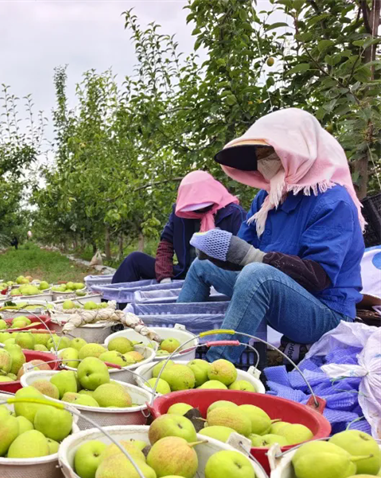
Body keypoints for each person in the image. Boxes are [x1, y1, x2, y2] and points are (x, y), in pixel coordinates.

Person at [178, 108, 365, 363]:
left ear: (297, 151)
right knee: (202, 266)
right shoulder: (267, 199)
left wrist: (255, 257)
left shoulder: (332, 202)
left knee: (258, 275)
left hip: (325, 312)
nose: (261, 162)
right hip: (276, 293)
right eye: (258, 156)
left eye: (267, 154)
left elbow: (318, 278)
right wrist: (218, 252)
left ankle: (215, 366)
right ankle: (177, 345)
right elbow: (244, 253)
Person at [111, 171, 245, 284]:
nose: (197, 210)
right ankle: (111, 304)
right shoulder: (180, 213)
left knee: (205, 267)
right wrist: (164, 277)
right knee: (134, 260)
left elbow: (244, 253)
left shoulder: (233, 213)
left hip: (219, 275)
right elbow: (166, 245)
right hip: (183, 272)